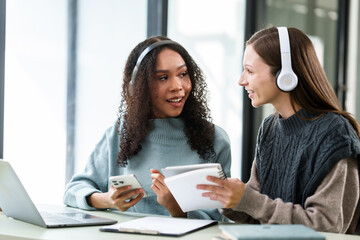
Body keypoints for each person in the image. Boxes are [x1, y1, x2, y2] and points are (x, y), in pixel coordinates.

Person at [197, 26, 360, 234]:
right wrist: (231, 200)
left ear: (286, 75)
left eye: (250, 70)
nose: (241, 80)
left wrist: (248, 200)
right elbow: (257, 211)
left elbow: (328, 226)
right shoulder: (269, 128)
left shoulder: (335, 134)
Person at [63, 36, 231, 221]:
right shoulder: (121, 133)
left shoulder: (215, 140)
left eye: (183, 74)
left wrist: (177, 209)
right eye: (163, 78)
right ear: (139, 87)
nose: (178, 87)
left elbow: (221, 217)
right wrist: (108, 200)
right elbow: (73, 190)